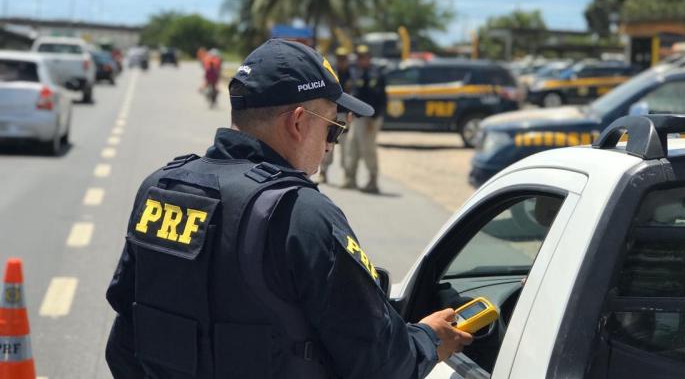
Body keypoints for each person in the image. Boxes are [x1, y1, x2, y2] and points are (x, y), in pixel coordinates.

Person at [105, 38, 472, 379]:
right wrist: (429, 339)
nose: (331, 146)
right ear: (297, 122)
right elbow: (380, 364)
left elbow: (124, 344)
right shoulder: (300, 213)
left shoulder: (160, 187)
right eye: (334, 128)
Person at [343, 45, 386, 193]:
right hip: (357, 117)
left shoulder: (376, 73)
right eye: (359, 57)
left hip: (369, 118)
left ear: (369, 58)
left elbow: (379, 98)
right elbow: (355, 94)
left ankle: (373, 181)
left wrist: (372, 119)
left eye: (364, 57)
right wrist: (350, 110)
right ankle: (350, 179)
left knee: (367, 148)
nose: (361, 59)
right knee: (352, 147)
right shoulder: (356, 72)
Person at [318, 47, 353, 185]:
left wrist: (352, 112)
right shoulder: (332, 74)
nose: (341, 61)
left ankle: (347, 175)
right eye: (339, 58)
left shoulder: (352, 75)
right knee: (328, 142)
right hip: (333, 114)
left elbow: (355, 95)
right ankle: (323, 172)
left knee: (346, 147)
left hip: (346, 115)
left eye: (344, 59)